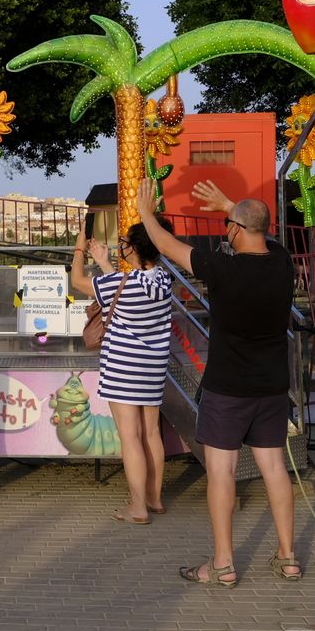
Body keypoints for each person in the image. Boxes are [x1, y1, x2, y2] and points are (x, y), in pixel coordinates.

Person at [135, 178, 300, 587]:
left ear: (235, 230)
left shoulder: (223, 267)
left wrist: (144, 215)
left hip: (228, 387)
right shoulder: (282, 262)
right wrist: (232, 205)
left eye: (230, 225)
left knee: (221, 471)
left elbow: (167, 246)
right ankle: (288, 556)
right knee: (275, 467)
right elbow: (262, 231)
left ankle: (223, 563)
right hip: (272, 385)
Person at [70, 215, 174, 525]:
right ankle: (154, 498)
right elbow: (124, 285)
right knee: (152, 433)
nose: (122, 248)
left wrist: (81, 250)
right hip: (153, 367)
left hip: (122, 367)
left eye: (125, 244)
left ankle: (138, 507)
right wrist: (105, 265)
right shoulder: (163, 280)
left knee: (130, 437)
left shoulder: (119, 282)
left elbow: (77, 282)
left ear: (133, 249)